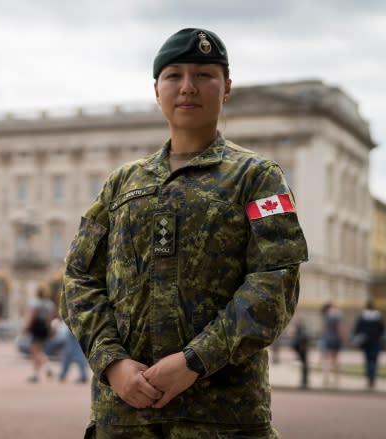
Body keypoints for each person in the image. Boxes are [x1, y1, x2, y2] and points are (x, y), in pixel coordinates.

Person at [60, 27, 308, 437]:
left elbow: (275, 283)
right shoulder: (122, 183)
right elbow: (79, 278)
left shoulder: (258, 178)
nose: (187, 87)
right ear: (156, 89)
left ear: (226, 87)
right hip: (124, 416)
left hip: (221, 416)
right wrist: (113, 363)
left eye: (204, 75)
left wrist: (194, 361)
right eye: (174, 75)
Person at [23, 287, 56, 383]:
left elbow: (31, 316)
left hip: (36, 327)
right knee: (38, 350)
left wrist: (25, 327)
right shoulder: (50, 304)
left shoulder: (34, 303)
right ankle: (37, 374)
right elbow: (51, 317)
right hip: (45, 327)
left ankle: (46, 367)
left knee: (34, 351)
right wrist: (50, 329)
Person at [352, 300, 386, 389]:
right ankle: (372, 378)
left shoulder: (362, 316)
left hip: (365, 342)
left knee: (367, 360)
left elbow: (357, 329)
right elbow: (382, 329)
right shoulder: (378, 317)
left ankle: (369, 378)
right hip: (375, 341)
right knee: (374, 360)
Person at [56, 318, 89, 384]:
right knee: (73, 351)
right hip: (80, 324)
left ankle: (82, 375)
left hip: (74, 323)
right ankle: (63, 374)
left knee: (71, 352)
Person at [319, 302, 344, 387]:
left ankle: (325, 378)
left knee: (326, 360)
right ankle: (336, 380)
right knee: (335, 360)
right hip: (335, 339)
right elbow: (339, 328)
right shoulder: (337, 315)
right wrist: (343, 338)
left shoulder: (325, 315)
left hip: (326, 339)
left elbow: (323, 329)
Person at [290, 319, 310, 389]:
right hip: (301, 348)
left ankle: (304, 381)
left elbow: (302, 339)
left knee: (304, 365)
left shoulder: (300, 330)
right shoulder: (301, 329)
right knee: (304, 365)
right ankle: (304, 380)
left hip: (301, 348)